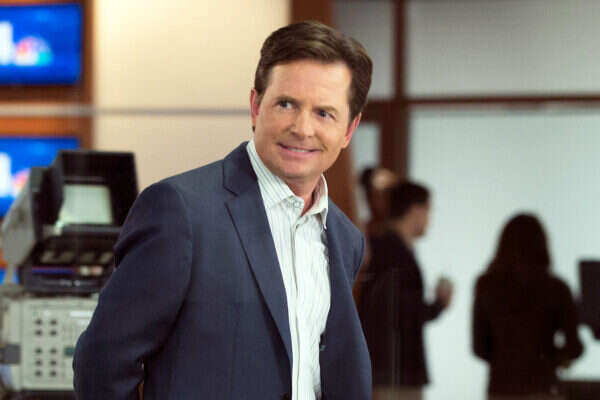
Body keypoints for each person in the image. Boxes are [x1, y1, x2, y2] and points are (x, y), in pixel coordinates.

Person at [73, 21, 373, 400]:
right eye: (286, 104)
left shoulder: (346, 238)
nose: (302, 128)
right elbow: (103, 363)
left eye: (324, 113)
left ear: (349, 130)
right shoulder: (181, 211)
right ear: (255, 106)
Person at [472, 213, 583, 400]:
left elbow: (479, 347)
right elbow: (574, 347)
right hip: (543, 386)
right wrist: (551, 358)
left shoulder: (485, 286)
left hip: (501, 388)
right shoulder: (557, 288)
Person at [360, 181, 453, 400]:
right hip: (395, 373)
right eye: (428, 210)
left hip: (387, 370)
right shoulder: (395, 254)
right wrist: (439, 304)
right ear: (414, 209)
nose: (429, 218)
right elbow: (405, 314)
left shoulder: (384, 248)